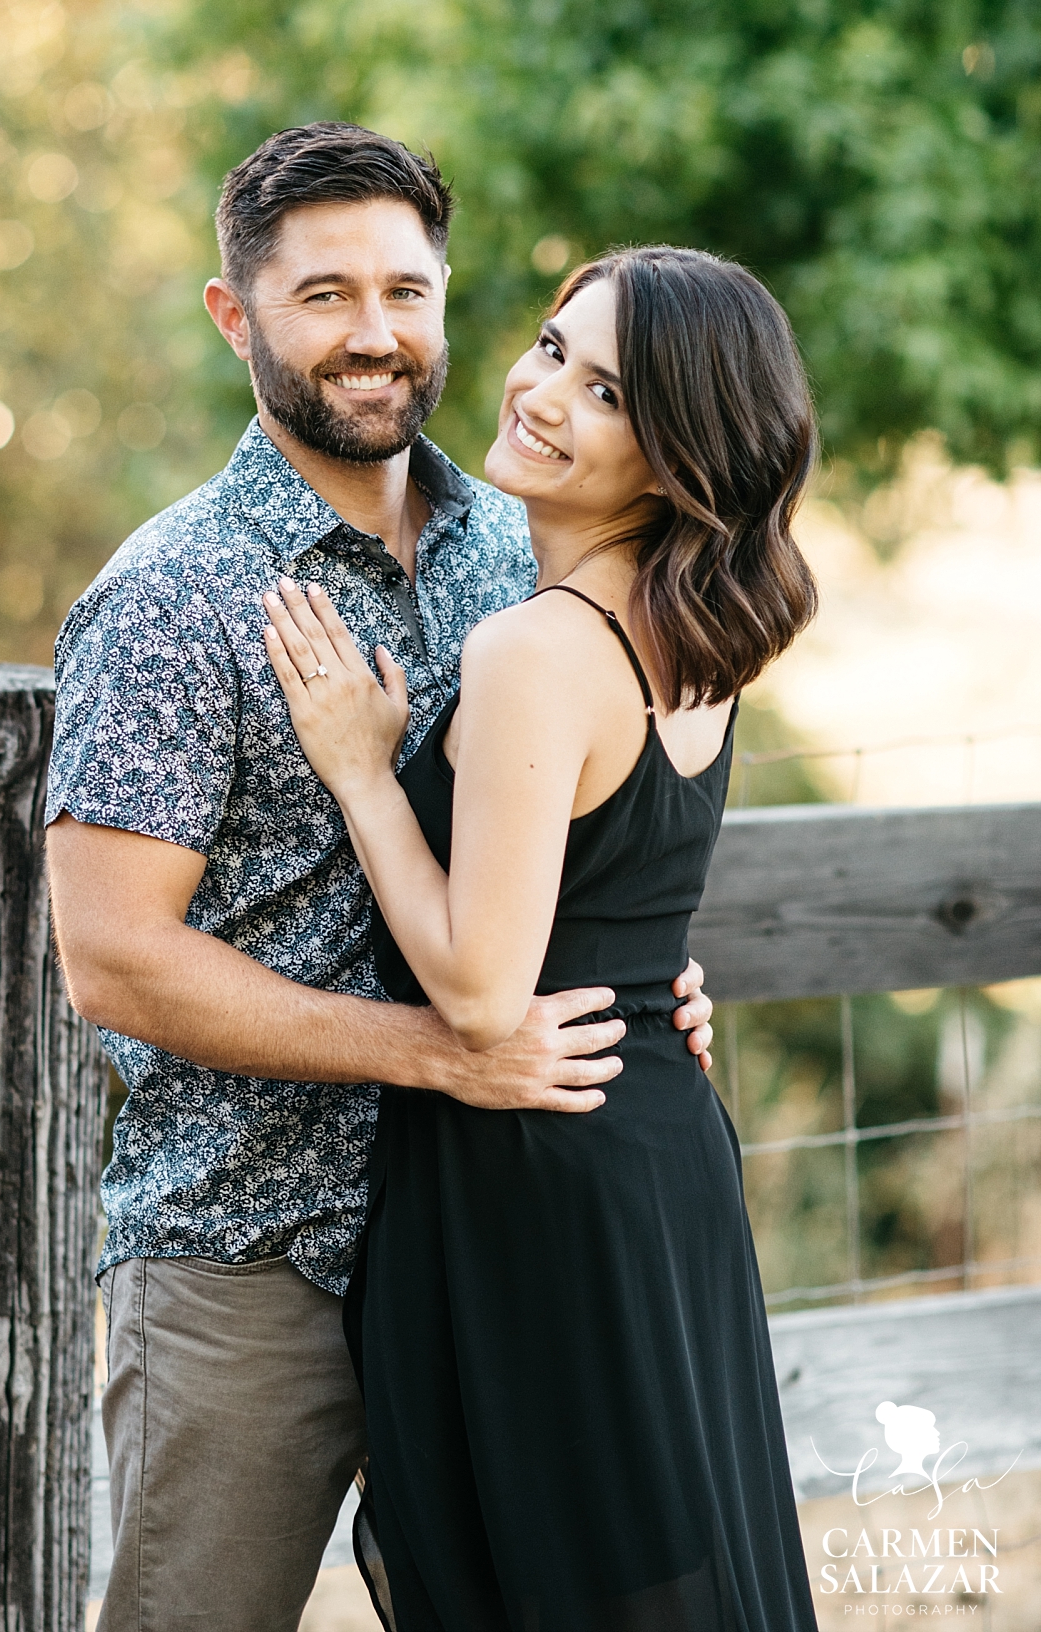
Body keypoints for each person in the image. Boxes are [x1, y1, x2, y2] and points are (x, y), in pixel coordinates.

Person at [44, 124, 716, 1632]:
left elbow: (564, 806)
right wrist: (444, 1048)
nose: (376, 335)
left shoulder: (515, 545)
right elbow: (116, 958)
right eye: (324, 295)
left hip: (489, 1240)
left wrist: (637, 963)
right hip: (246, 1266)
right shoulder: (170, 597)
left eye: (407, 293)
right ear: (237, 316)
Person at [263, 243, 820, 1630]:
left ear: (681, 445)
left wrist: (361, 769)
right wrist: (656, 991)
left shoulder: (538, 645)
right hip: (656, 1156)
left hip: (542, 1179)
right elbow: (622, 902)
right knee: (666, 1564)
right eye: (553, 345)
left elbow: (476, 982)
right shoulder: (699, 633)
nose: (543, 390)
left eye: (609, 388)